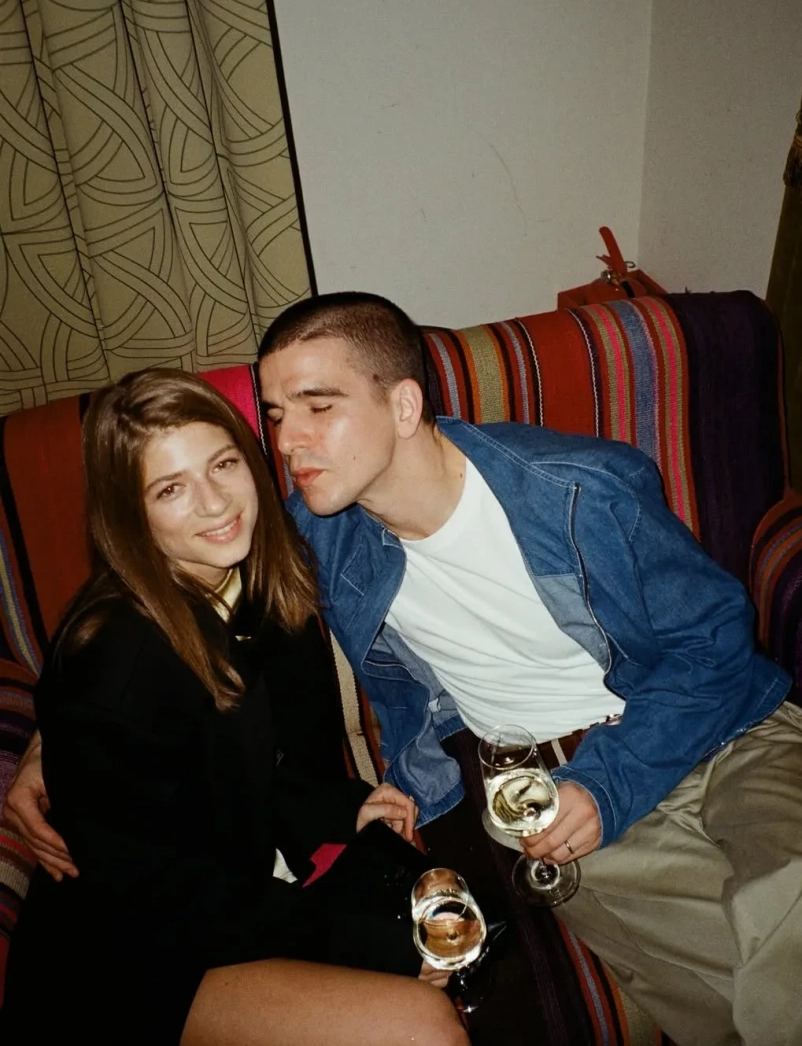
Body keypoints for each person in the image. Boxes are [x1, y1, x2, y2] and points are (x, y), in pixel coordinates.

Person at [7, 294, 802, 1043]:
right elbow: (146, 603)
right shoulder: (313, 533)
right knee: (728, 980)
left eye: (319, 406)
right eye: (276, 415)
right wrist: (58, 741)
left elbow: (714, 641)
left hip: (724, 732)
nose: (286, 443)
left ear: (404, 404)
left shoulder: (580, 491)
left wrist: (613, 780)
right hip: (549, 791)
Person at [0, 368, 468, 1046]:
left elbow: (276, 767)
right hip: (131, 956)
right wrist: (378, 948)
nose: (216, 503)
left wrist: (345, 809)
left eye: (222, 464)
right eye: (170, 488)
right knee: (422, 1025)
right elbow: (163, 898)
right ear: (129, 514)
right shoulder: (114, 664)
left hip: (234, 887)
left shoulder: (261, 582)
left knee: (452, 917)